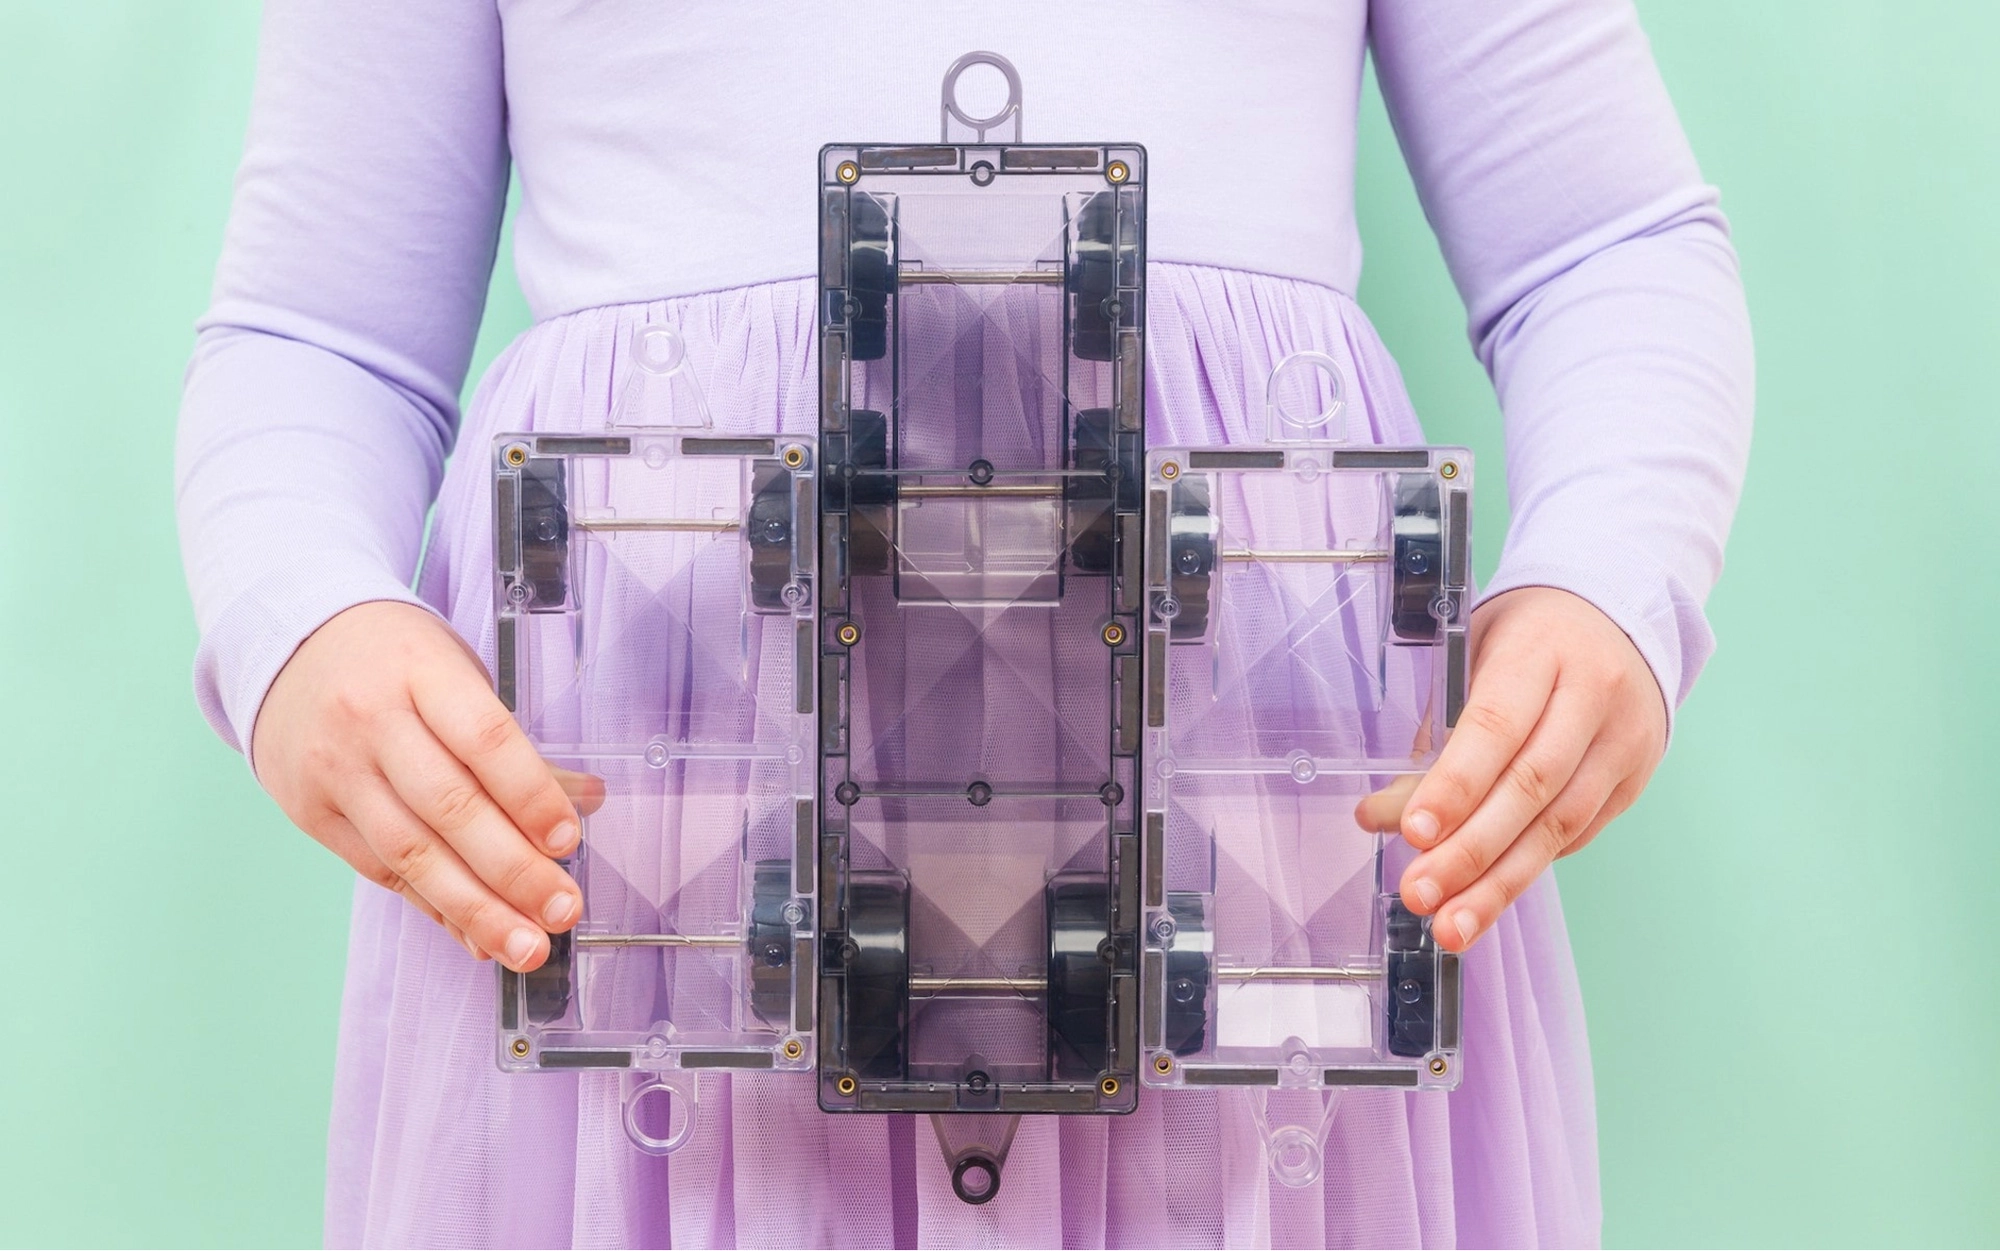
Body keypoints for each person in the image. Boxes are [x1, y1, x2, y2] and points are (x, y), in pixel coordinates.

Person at [175, 2, 1752, 1246]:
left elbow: (1598, 243)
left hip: (1257, 905)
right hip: (660, 916)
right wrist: (304, 619)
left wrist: (1607, 572)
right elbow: (321, 330)